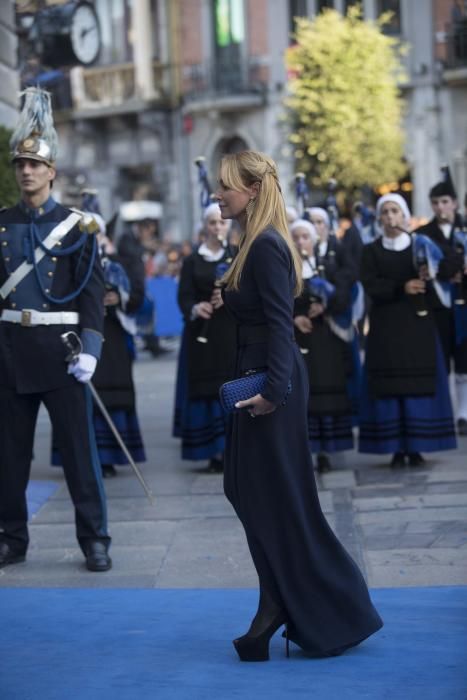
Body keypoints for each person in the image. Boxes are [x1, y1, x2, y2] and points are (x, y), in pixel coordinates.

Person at [216, 150, 382, 661]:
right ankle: (278, 604)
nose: (218, 195)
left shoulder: (265, 246)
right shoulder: (253, 243)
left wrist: (273, 392)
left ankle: (314, 609)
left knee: (278, 499)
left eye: (225, 187)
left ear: (253, 191)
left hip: (271, 385)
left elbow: (281, 325)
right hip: (260, 379)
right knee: (251, 491)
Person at [0, 88, 111, 571]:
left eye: (34, 164)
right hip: (8, 352)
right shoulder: (1, 224)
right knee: (9, 459)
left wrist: (90, 350)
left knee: (80, 456)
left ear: (52, 173)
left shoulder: (77, 226)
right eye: (20, 163)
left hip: (64, 354)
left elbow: (92, 296)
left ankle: (94, 539)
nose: (26, 170)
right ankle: (12, 538)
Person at [359, 193, 457, 466]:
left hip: (418, 325)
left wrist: (433, 270)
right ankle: (394, 447)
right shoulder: (371, 250)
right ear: (379, 218)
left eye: (395, 211)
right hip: (386, 328)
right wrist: (401, 287)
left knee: (418, 384)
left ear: (404, 215)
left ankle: (417, 445)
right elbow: (370, 284)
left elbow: (451, 262)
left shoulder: (420, 244)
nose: (390, 217)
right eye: (385, 212)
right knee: (389, 386)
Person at [173, 203, 236, 472]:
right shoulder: (192, 260)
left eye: (221, 222)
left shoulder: (237, 255)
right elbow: (183, 295)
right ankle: (213, 451)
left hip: (229, 332)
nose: (217, 227)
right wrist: (196, 307)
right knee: (206, 390)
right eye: (212, 223)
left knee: (231, 386)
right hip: (202, 333)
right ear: (205, 227)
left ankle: (234, 450)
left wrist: (228, 298)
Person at [291, 216, 356, 473]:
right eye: (295, 238)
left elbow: (344, 295)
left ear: (314, 240)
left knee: (325, 390)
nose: (300, 242)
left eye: (305, 237)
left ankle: (327, 449)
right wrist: (294, 318)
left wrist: (326, 303)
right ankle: (304, 449)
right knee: (302, 395)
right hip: (298, 338)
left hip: (325, 339)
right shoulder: (286, 270)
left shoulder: (327, 266)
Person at [415, 172, 467, 435]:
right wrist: (452, 267)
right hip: (438, 307)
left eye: (445, 201)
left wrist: (444, 268)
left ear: (455, 203)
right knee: (441, 361)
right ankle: (444, 413)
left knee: (464, 362)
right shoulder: (423, 234)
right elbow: (425, 267)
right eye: (435, 202)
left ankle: (464, 413)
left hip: (464, 305)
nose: (440, 207)